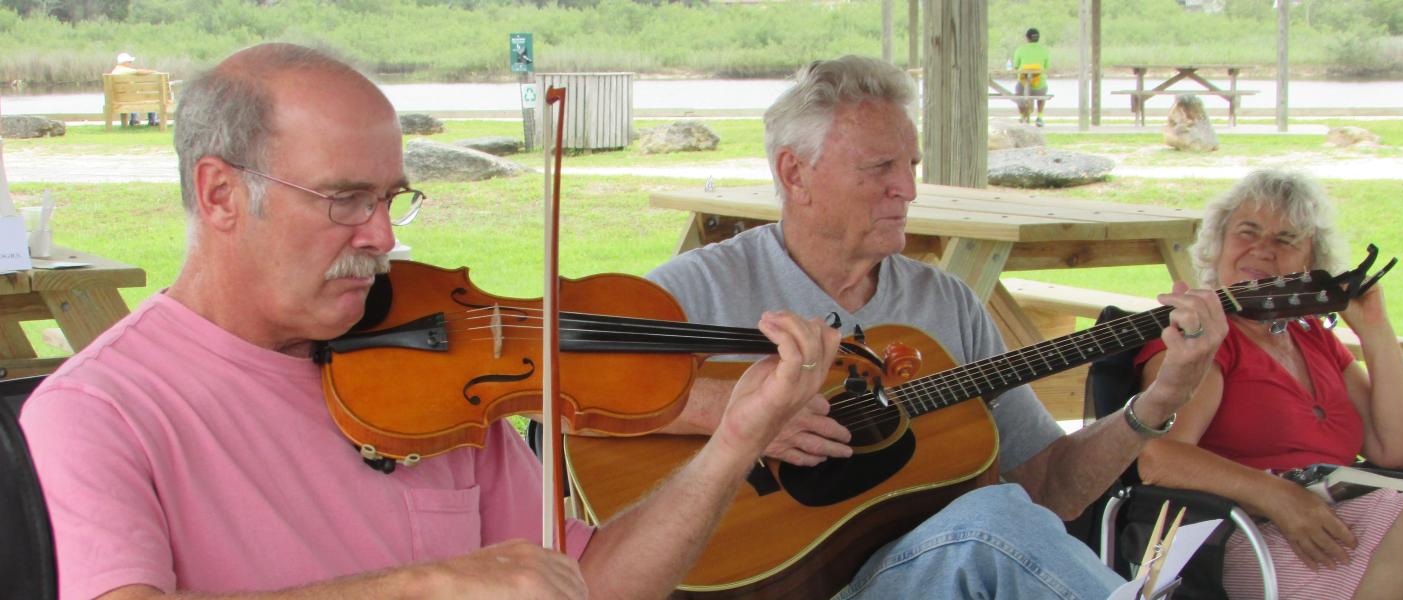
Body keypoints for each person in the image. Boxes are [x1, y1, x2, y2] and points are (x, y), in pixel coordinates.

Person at [20, 42, 841, 599]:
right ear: (221, 194)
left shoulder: (440, 361)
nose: (381, 237)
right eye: (345, 200)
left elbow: (591, 587)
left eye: (390, 199)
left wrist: (735, 439)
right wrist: (425, 584)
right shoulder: (101, 409)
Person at [646, 54, 1230, 598]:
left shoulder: (944, 303)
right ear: (795, 174)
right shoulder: (702, 288)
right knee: (988, 521)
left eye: (911, 165)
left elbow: (1047, 485)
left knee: (996, 514)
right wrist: (741, 418)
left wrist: (1160, 399)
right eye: (881, 168)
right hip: (751, 578)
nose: (909, 189)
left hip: (910, 577)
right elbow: (553, 381)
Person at [1134, 169, 1403, 599]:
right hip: (1259, 535)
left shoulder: (1311, 336)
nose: (1261, 250)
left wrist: (1375, 329)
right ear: (1219, 245)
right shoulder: (1202, 337)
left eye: (1284, 240)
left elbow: (1399, 449)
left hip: (1344, 521)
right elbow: (1158, 457)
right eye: (1247, 232)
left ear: (1310, 263)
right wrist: (1278, 495)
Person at [1011, 28, 1050, 127]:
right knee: (1043, 90)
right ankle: (1040, 117)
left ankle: (1022, 115)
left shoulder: (1020, 49)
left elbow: (1016, 66)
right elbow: (1047, 67)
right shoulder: (1044, 50)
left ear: (1026, 38)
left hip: (1024, 86)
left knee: (1018, 92)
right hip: (1039, 87)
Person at [110, 52, 159, 127]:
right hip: (130, 98)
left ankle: (134, 120)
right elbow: (139, 72)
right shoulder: (126, 70)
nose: (130, 64)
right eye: (129, 62)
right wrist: (153, 71)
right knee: (149, 98)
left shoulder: (114, 72)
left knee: (133, 97)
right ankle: (153, 121)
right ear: (125, 62)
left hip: (118, 99)